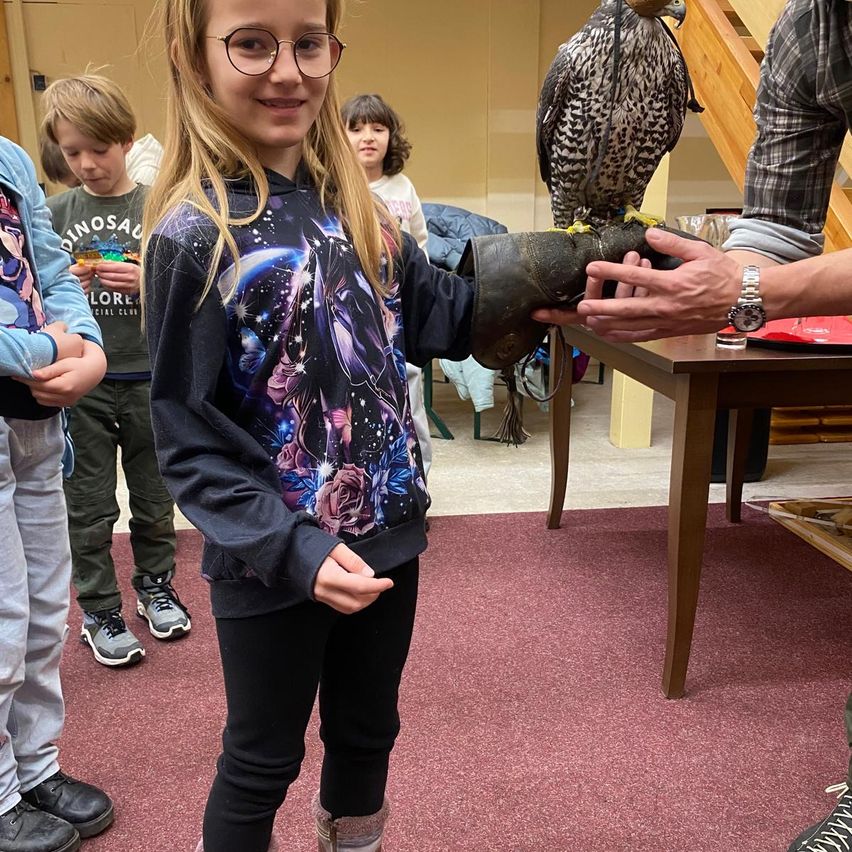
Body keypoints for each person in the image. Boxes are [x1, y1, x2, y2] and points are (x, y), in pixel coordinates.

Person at [142, 1, 474, 849]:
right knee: (261, 762)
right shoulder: (193, 234)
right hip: (270, 560)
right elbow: (188, 439)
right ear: (195, 56)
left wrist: (579, 275)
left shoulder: (365, 209)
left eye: (308, 43)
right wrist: (294, 549)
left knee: (368, 737)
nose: (287, 71)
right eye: (252, 43)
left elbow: (446, 319)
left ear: (334, 51)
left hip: (389, 539)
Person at [535, 3, 852, 849]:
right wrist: (691, 271)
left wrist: (752, 295)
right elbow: (782, 226)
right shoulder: (806, 31)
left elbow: (770, 285)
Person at [41, 74, 190, 668]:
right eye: (72, 152)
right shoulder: (52, 214)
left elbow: (197, 295)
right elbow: (31, 298)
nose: (86, 164)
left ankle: (155, 586)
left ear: (127, 141)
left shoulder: (164, 206)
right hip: (85, 385)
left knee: (156, 500)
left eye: (98, 149)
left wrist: (149, 280)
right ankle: (99, 610)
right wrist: (61, 292)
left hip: (152, 378)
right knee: (89, 505)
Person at [0, 136, 114, 851]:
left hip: (37, 422)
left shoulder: (8, 159)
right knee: (1, 620)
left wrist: (93, 350)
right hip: (30, 372)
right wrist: (53, 349)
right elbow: (49, 332)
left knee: (44, 611)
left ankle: (36, 768)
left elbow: (53, 268)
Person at [342, 93, 433, 480]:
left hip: (399, 317)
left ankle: (418, 484)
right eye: (356, 128)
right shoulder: (335, 188)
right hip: (353, 319)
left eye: (378, 128)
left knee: (411, 402)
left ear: (391, 137)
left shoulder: (403, 187)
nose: (368, 137)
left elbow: (421, 247)